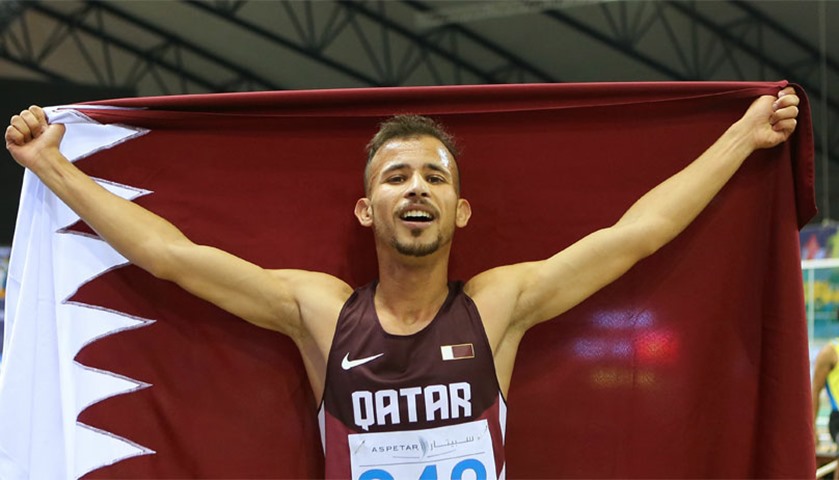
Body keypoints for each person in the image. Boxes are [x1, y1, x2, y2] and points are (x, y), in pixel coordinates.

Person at [5, 87, 800, 479]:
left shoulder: (498, 305)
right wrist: (53, 166)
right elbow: (169, 257)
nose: (414, 188)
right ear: (365, 207)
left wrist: (740, 137)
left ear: (459, 210)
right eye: (395, 177)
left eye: (431, 177)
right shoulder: (318, 310)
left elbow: (639, 235)